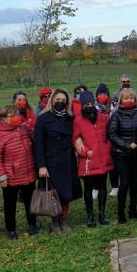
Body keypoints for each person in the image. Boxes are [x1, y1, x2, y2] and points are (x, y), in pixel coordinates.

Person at [34, 89, 82, 233]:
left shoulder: (70, 118)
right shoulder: (43, 118)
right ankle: (55, 221)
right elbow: (38, 143)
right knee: (54, 192)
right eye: (57, 99)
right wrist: (41, 165)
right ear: (52, 100)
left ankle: (64, 219)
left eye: (63, 100)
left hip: (67, 159)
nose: (60, 102)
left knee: (66, 192)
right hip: (51, 161)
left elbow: (76, 135)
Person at [0, 105, 37, 239]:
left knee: (30, 201)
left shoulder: (24, 129)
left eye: (17, 114)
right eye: (12, 115)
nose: (16, 117)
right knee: (10, 204)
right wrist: (1, 177)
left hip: (28, 172)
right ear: (4, 118)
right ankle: (11, 228)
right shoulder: (0, 135)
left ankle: (32, 223)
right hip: (11, 176)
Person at [73, 91, 114, 227]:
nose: (89, 106)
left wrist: (107, 149)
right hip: (88, 160)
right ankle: (90, 215)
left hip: (103, 158)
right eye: (86, 104)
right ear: (82, 105)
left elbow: (109, 135)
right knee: (88, 188)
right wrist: (85, 152)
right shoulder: (78, 120)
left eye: (91, 103)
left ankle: (102, 214)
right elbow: (75, 139)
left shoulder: (103, 118)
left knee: (102, 187)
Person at [108, 88, 137, 224]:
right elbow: (112, 134)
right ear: (121, 100)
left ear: (135, 100)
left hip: (136, 154)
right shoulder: (116, 115)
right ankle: (121, 212)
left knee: (134, 182)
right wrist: (126, 145)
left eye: (131, 98)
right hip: (121, 154)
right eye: (126, 98)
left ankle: (133, 209)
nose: (129, 100)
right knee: (124, 182)